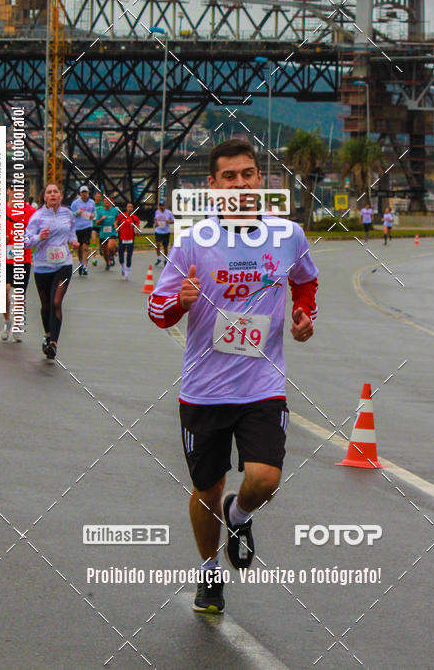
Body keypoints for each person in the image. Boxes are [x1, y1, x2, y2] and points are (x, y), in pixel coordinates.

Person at [148, 140, 318, 614]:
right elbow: (157, 309)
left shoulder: (288, 235)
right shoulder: (193, 241)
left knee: (264, 479)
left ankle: (239, 515)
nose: (240, 184)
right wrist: (178, 302)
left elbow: (305, 281)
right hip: (204, 390)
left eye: (247, 174)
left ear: (260, 180)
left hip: (263, 385)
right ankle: (209, 572)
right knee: (207, 489)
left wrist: (304, 315)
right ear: (213, 185)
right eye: (229, 177)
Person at [25, 182, 78, 360]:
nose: (53, 194)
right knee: (46, 305)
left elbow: (71, 232)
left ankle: (53, 343)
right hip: (42, 267)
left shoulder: (67, 214)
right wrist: (39, 237)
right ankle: (47, 334)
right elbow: (25, 241)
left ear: (60, 195)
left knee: (56, 302)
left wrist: (73, 241)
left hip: (64, 265)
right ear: (44, 196)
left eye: (56, 192)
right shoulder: (37, 216)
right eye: (49, 192)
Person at [2, 185, 36, 342]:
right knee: (4, 291)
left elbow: (35, 231)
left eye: (21, 191)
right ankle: (7, 321)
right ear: (8, 191)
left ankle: (16, 325)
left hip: (22, 258)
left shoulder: (30, 211)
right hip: (4, 257)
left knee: (19, 295)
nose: (17, 193)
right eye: (14, 190)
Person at [70, 185, 95, 276]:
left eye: (85, 192)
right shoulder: (75, 203)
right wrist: (77, 212)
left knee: (85, 246)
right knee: (79, 248)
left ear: (88, 193)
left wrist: (92, 216)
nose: (84, 194)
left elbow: (94, 213)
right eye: (82, 192)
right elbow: (71, 214)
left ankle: (85, 266)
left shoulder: (91, 202)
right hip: (77, 227)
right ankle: (81, 262)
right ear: (80, 193)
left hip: (88, 226)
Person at [118, 202, 140, 280]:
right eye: (128, 207)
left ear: (133, 209)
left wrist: (138, 231)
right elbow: (116, 223)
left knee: (129, 256)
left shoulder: (135, 218)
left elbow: (138, 228)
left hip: (130, 239)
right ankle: (123, 267)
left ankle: (127, 271)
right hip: (122, 238)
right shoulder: (121, 216)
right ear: (126, 208)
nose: (129, 208)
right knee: (121, 256)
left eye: (131, 207)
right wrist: (116, 228)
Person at [96, 195, 119, 270]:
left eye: (108, 201)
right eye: (105, 201)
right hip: (103, 234)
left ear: (111, 202)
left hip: (112, 232)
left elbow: (119, 219)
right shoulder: (100, 211)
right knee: (105, 252)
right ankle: (107, 263)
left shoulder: (115, 210)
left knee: (110, 247)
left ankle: (112, 256)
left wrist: (116, 224)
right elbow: (97, 223)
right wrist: (101, 219)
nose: (106, 203)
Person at [153, 199, 175, 265]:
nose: (161, 207)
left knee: (165, 247)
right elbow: (155, 219)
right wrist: (155, 222)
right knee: (157, 244)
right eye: (160, 205)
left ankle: (165, 259)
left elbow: (173, 221)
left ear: (164, 206)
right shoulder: (157, 212)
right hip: (158, 231)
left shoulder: (169, 212)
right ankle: (158, 258)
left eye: (162, 205)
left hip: (166, 232)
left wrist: (169, 221)